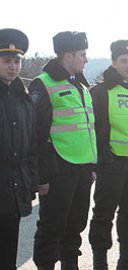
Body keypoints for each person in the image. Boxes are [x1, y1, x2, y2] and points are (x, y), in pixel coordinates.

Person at [31, 31, 97, 270]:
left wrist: (91, 167)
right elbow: (37, 136)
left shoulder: (79, 84)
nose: (86, 60)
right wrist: (42, 177)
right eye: (83, 55)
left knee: (76, 225)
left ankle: (71, 265)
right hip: (58, 169)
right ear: (68, 56)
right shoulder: (44, 83)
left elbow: (87, 130)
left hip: (81, 169)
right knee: (52, 226)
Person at [89, 40, 128, 270]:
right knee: (103, 214)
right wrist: (99, 161)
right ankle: (100, 263)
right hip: (111, 164)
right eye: (123, 61)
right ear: (114, 62)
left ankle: (127, 260)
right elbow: (94, 129)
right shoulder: (100, 91)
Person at [0, 28, 38, 270]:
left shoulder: (23, 98)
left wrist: (31, 181)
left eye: (17, 61)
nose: (12, 67)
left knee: (8, 251)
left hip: (14, 184)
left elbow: (32, 146)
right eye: (6, 61)